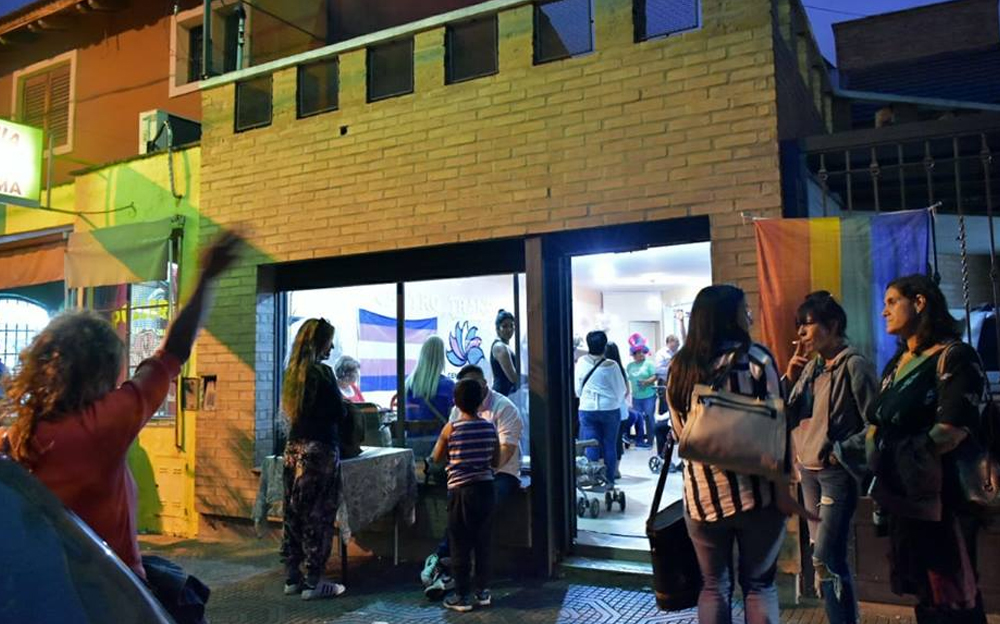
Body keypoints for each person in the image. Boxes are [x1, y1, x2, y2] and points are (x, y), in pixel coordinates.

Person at [0, 232, 241, 584]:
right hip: (110, 592)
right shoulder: (105, 422)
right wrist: (207, 276)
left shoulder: (20, 434)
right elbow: (173, 351)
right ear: (102, 369)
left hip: (46, 587)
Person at [666, 284, 817, 624]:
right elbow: (778, 429)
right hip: (758, 495)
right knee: (759, 585)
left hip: (702, 497)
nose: (748, 315)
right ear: (729, 316)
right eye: (743, 309)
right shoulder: (757, 359)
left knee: (713, 586)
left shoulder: (680, 367)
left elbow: (680, 433)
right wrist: (784, 490)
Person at [869, 274, 987, 624]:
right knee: (926, 596)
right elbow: (878, 417)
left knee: (952, 598)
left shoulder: (955, 357)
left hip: (943, 500)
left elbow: (951, 430)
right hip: (905, 499)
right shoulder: (897, 363)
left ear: (919, 302)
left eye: (892, 302)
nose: (884, 311)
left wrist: (900, 456)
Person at [784, 291, 877, 624]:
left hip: (835, 473)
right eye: (800, 325)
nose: (802, 333)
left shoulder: (854, 364)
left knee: (825, 557)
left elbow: (875, 424)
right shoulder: (811, 368)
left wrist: (841, 452)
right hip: (807, 471)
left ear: (833, 325)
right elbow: (787, 415)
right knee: (826, 557)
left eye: (808, 324)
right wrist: (789, 378)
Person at [422, 364, 523, 599]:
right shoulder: (486, 426)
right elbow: (495, 454)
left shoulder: (504, 408)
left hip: (500, 475)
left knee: (460, 527)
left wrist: (464, 466)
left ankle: (449, 574)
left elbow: (503, 458)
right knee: (480, 534)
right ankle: (479, 588)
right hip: (483, 480)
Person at [280, 318, 348, 600]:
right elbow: (338, 412)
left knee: (293, 513)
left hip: (293, 448)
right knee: (318, 515)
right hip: (320, 451)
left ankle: (292, 577)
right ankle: (314, 581)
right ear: (319, 343)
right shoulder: (323, 373)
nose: (331, 348)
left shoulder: (292, 374)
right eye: (329, 342)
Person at [430, 378, 500, 612]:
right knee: (483, 542)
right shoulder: (489, 427)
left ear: (455, 402)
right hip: (486, 490)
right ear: (481, 401)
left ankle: (461, 597)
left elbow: (436, 457)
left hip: (461, 492)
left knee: (459, 543)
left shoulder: (451, 428)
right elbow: (496, 461)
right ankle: (483, 591)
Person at [574, 330, 627, 494]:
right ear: (604, 346)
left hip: (587, 409)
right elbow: (621, 390)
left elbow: (577, 389)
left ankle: (593, 478)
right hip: (610, 409)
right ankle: (609, 481)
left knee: (591, 444)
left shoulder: (581, 362)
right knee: (610, 444)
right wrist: (613, 401)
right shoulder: (612, 365)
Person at [627, 333, 657, 448]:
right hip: (636, 397)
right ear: (633, 355)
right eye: (638, 352)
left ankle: (650, 441)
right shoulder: (630, 366)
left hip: (649, 395)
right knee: (638, 418)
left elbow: (655, 376)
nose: (641, 354)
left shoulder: (649, 364)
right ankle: (639, 440)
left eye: (642, 352)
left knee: (649, 417)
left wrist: (646, 382)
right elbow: (627, 379)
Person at [604, 342, 631, 467]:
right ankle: (616, 469)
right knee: (617, 441)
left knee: (606, 441)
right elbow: (627, 391)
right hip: (621, 410)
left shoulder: (603, 369)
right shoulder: (621, 369)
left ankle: (606, 469)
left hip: (606, 409)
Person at [491, 309, 518, 396]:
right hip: (502, 394)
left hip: (506, 394)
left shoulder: (504, 346)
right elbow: (513, 377)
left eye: (511, 326)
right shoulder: (500, 347)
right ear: (497, 329)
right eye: (505, 326)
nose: (509, 329)